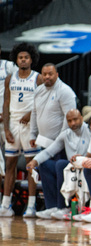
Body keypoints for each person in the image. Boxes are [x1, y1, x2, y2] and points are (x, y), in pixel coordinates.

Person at [0, 43, 44, 217]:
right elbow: (5, 103)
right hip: (13, 124)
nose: (23, 60)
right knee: (10, 164)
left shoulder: (38, 78)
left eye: (26, 57)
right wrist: (7, 129)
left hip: (30, 126)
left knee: (31, 166)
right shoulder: (11, 78)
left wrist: (30, 113)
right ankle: (5, 204)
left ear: (31, 59)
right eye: (20, 57)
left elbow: (42, 102)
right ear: (16, 60)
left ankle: (31, 205)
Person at [26, 109, 91, 219]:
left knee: (61, 164)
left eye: (75, 119)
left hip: (85, 167)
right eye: (69, 121)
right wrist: (35, 161)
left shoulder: (90, 131)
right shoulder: (65, 134)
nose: (73, 123)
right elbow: (49, 151)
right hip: (72, 169)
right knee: (45, 164)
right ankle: (52, 206)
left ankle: (63, 207)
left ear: (81, 118)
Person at [30, 63, 77, 153]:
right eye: (44, 74)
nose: (47, 76)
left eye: (50, 74)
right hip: (42, 141)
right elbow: (34, 113)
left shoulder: (65, 91)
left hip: (60, 145)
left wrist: (59, 142)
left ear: (57, 74)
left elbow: (70, 119)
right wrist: (32, 134)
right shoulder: (38, 90)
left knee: (57, 166)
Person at [0, 43, 18, 192]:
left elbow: (21, 87)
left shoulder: (8, 66)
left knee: (11, 162)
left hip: (8, 120)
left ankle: (7, 200)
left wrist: (7, 113)